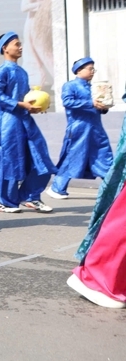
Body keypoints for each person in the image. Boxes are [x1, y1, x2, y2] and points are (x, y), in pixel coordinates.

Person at [67, 84, 126, 309]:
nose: (90, 71)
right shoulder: (71, 86)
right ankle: (99, 276)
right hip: (79, 126)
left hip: (94, 126)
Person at [0, 32, 55, 213]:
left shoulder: (22, 72)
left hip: (25, 120)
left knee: (41, 158)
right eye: (17, 44)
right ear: (5, 48)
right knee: (9, 161)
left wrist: (35, 106)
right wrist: (19, 104)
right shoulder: (1, 71)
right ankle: (2, 200)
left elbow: (26, 96)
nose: (21, 47)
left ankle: (30, 196)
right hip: (8, 122)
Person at [47, 58, 113, 199]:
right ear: (79, 70)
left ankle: (114, 189)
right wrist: (91, 103)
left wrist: (104, 106)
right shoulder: (70, 86)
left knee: (104, 156)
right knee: (73, 158)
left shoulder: (93, 87)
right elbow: (68, 101)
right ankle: (57, 188)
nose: (92, 72)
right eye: (90, 69)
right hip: (79, 129)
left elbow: (98, 107)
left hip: (96, 129)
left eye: (93, 69)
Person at [20, 0, 54, 91]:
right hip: (35, 25)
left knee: (48, 52)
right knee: (45, 53)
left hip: (45, 23)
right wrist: (43, 4)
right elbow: (24, 6)